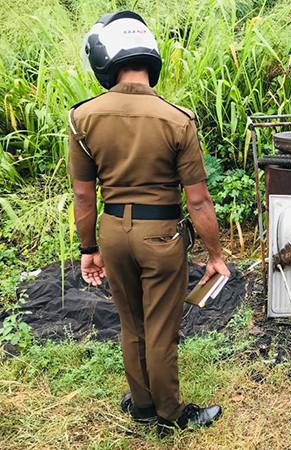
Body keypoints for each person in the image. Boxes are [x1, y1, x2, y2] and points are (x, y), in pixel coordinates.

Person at [69, 11, 229, 438]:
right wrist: (215, 254)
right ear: (149, 56)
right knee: (160, 327)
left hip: (111, 230)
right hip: (160, 235)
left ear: (107, 60)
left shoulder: (83, 118)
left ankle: (141, 405)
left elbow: (84, 195)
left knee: (131, 322)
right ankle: (171, 415)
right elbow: (197, 199)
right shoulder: (176, 119)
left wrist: (89, 250)